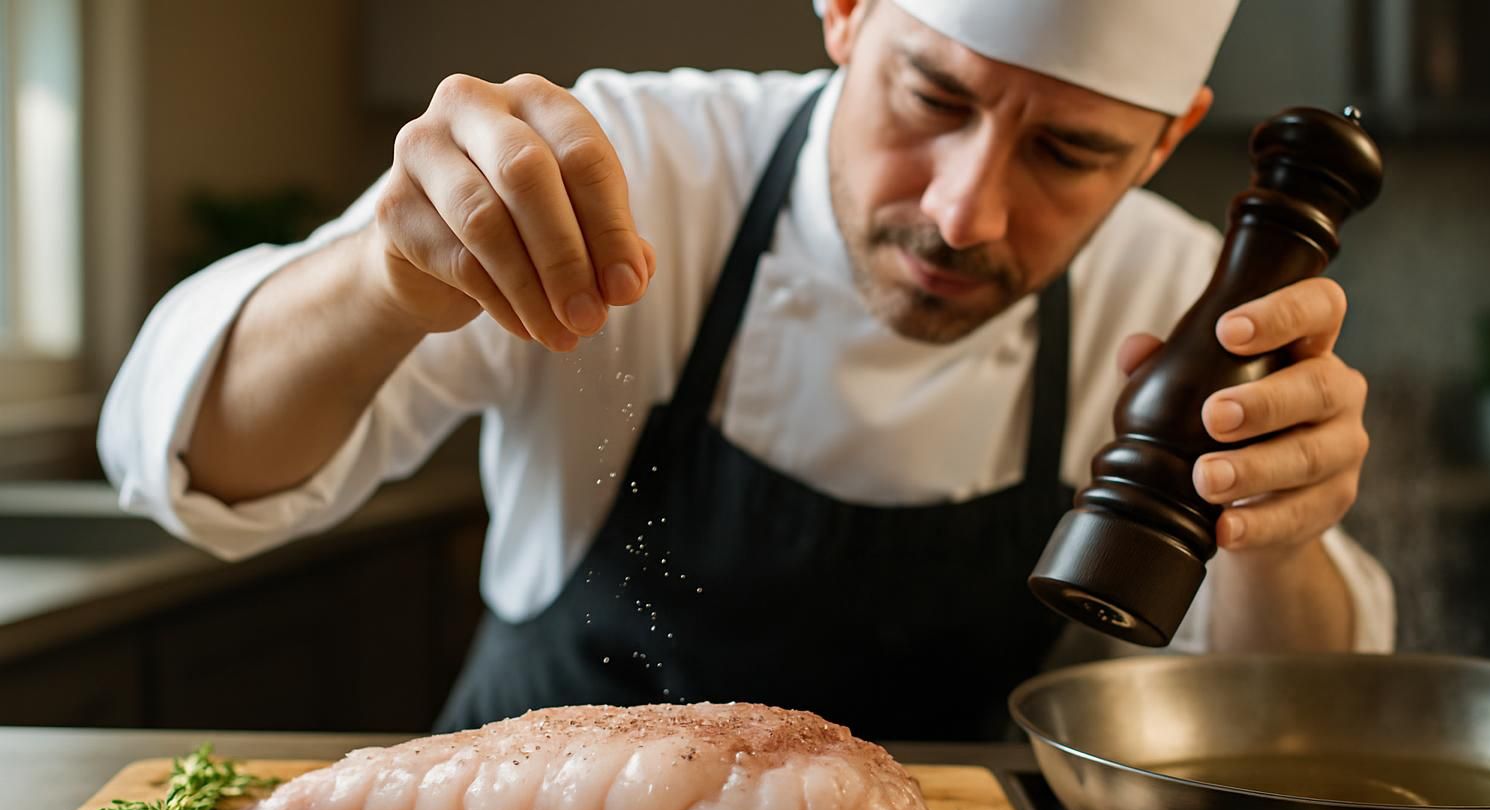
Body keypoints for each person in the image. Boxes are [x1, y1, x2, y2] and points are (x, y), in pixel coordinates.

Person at [99, 0, 1394, 741]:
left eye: (1071, 155)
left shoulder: (1181, 309)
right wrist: (383, 281)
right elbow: (191, 461)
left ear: (1166, 140)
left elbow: (1297, 720)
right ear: (846, 11)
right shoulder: (629, 167)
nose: (965, 213)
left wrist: (1279, 540)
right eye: (933, 99)